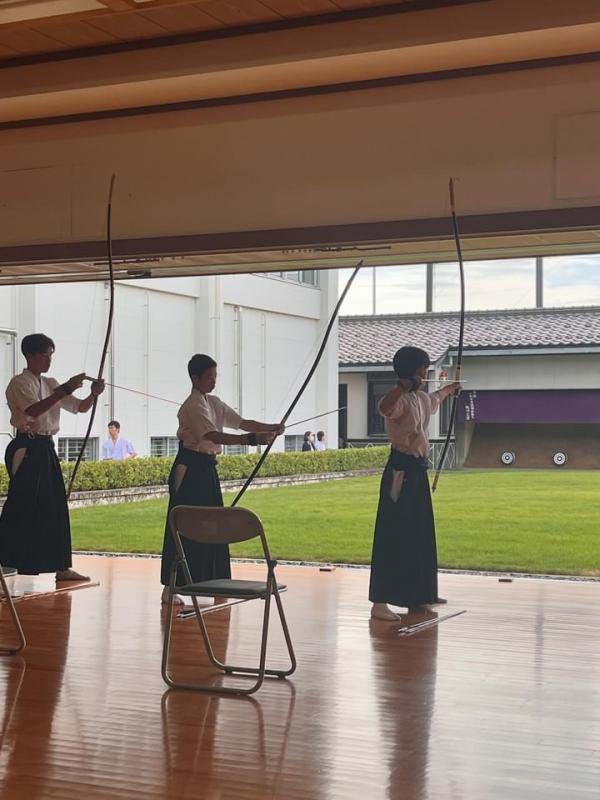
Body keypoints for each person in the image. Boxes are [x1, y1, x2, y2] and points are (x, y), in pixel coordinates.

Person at [160, 354, 284, 605]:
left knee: (212, 524)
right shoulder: (192, 405)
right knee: (185, 523)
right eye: (208, 377)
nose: (213, 381)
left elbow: (242, 422)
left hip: (207, 469)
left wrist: (270, 427)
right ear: (195, 378)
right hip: (190, 470)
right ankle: (170, 587)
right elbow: (212, 435)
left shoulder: (213, 402)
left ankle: (215, 582)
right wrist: (250, 440)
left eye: (215, 377)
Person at [0, 333, 104, 581]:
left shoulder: (50, 383)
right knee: (22, 504)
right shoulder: (19, 383)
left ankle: (61, 566)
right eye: (44, 355)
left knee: (55, 506)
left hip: (46, 447)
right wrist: (65, 388)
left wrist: (93, 394)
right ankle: (6, 559)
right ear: (30, 356)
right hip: (27, 447)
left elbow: (80, 407)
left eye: (51, 355)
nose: (49, 360)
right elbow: (33, 410)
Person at [369, 346, 461, 621]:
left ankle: (419, 595)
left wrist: (450, 389)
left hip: (417, 471)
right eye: (423, 368)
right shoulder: (399, 399)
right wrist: (401, 386)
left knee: (419, 534)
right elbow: (384, 408)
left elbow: (436, 398)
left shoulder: (420, 398)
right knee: (393, 533)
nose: (426, 372)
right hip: (400, 472)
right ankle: (379, 602)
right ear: (412, 371)